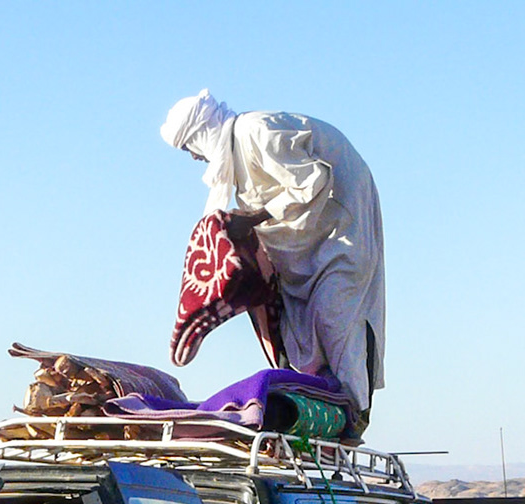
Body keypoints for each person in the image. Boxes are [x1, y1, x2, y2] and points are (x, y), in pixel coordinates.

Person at [160, 89, 386, 430]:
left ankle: (352, 415)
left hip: (342, 233)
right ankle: (326, 406)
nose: (193, 157)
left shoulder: (257, 132)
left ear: (201, 132)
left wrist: (249, 220)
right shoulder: (240, 151)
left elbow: (313, 183)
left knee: (333, 317)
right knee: (301, 326)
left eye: (189, 146)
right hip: (315, 240)